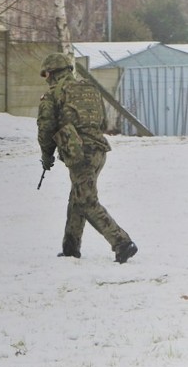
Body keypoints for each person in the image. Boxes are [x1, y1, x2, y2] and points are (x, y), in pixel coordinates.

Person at [37, 52, 138, 264]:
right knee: (78, 197)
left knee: (86, 200)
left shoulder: (53, 95)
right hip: (98, 150)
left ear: (53, 73)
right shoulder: (88, 89)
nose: (46, 79)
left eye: (47, 74)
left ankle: (121, 242)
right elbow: (100, 119)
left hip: (79, 154)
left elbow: (46, 129)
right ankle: (70, 248)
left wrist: (47, 156)